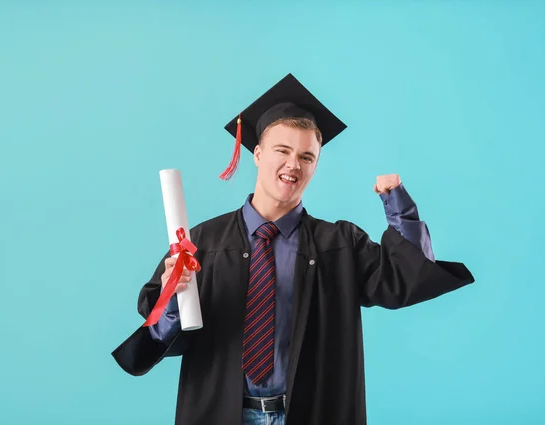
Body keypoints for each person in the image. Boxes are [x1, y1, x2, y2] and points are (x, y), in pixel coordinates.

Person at [111, 73, 475, 425]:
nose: (293, 165)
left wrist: (398, 205)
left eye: (306, 156)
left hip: (313, 411)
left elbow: (406, 278)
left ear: (316, 165)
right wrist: (174, 301)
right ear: (256, 153)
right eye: (282, 150)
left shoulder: (340, 245)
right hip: (221, 413)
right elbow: (159, 333)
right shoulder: (203, 244)